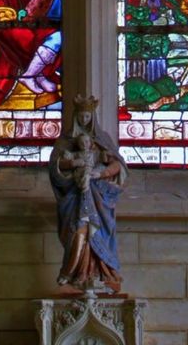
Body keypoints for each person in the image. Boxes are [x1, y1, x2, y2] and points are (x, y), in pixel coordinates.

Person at [49, 97, 126, 293]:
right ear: (76, 117)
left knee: (98, 231)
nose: (84, 119)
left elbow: (118, 164)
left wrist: (101, 174)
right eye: (81, 116)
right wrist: (72, 164)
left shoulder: (102, 140)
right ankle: (75, 274)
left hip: (99, 198)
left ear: (93, 117)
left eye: (87, 116)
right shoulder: (66, 141)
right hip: (75, 198)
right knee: (78, 232)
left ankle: (103, 273)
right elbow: (55, 166)